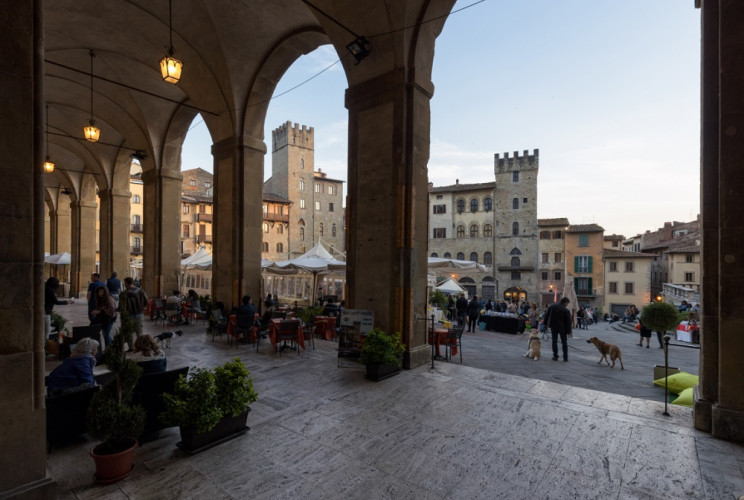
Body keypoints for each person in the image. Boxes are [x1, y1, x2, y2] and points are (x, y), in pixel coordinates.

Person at [544, 297, 572, 361]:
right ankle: (565, 357)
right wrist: (569, 331)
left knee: (554, 341)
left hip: (553, 327)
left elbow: (546, 315)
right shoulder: (566, 310)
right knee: (564, 342)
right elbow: (568, 322)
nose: (567, 305)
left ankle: (555, 356)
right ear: (565, 302)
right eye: (567, 303)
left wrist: (545, 324)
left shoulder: (552, 306)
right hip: (562, 328)